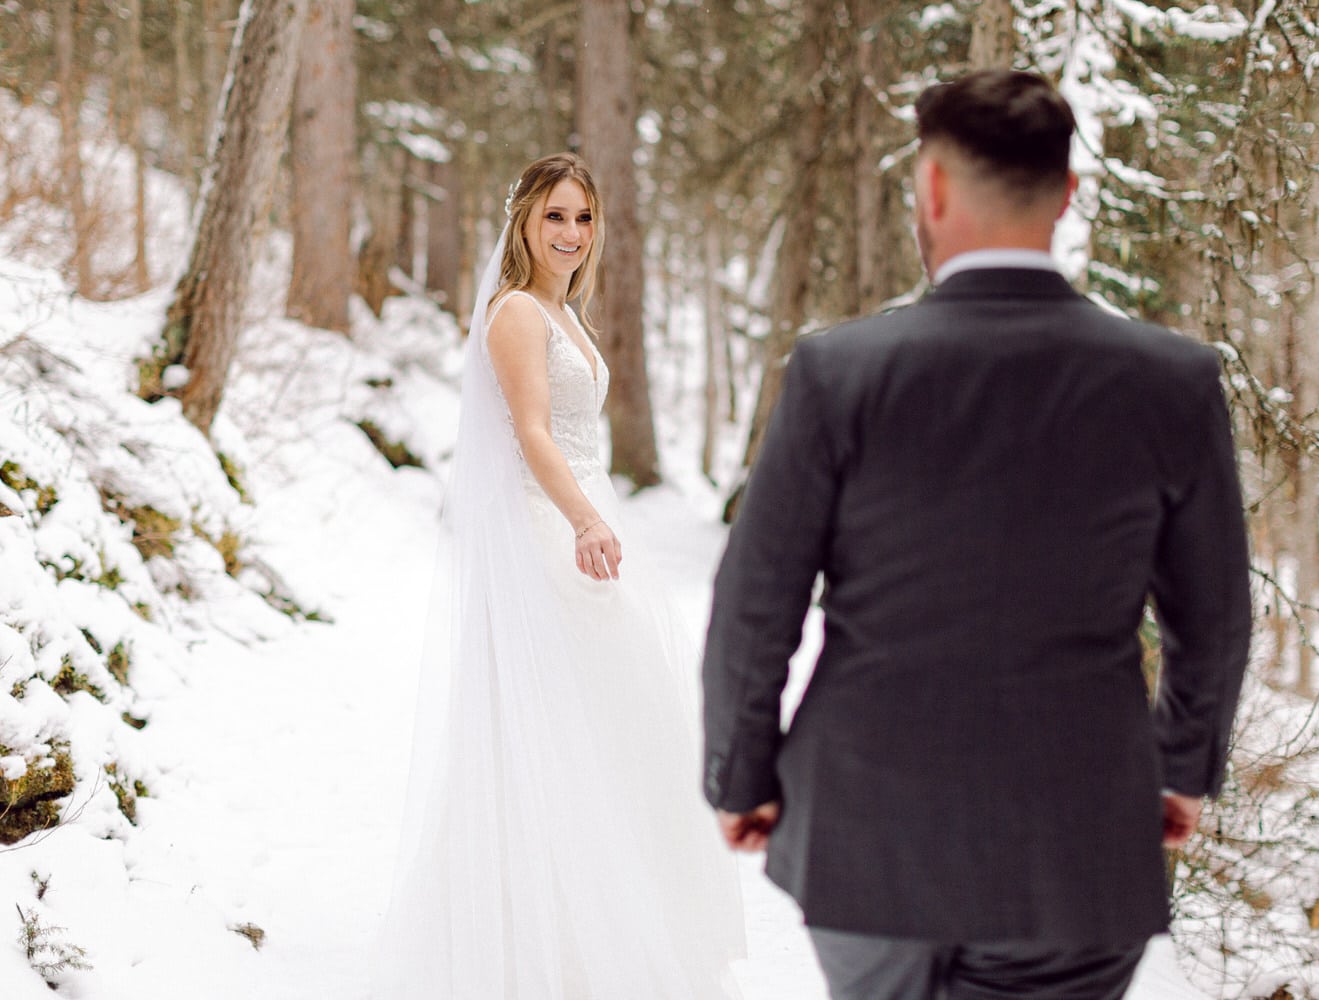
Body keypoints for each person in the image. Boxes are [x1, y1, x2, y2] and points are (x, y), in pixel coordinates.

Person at [701, 69, 1252, 1000]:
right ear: (1068, 195)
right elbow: (1215, 616)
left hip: (867, 839)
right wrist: (1180, 767)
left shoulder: (840, 373)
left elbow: (758, 601)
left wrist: (741, 774)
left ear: (933, 188)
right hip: (1079, 840)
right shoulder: (1171, 382)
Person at [375, 153, 744, 999]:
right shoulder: (515, 313)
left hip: (586, 518)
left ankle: (613, 919)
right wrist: (582, 519)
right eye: (553, 217)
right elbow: (535, 433)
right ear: (522, 223)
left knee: (616, 729)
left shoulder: (561, 309)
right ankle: (552, 939)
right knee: (570, 730)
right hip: (552, 532)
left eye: (582, 217)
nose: (570, 234)